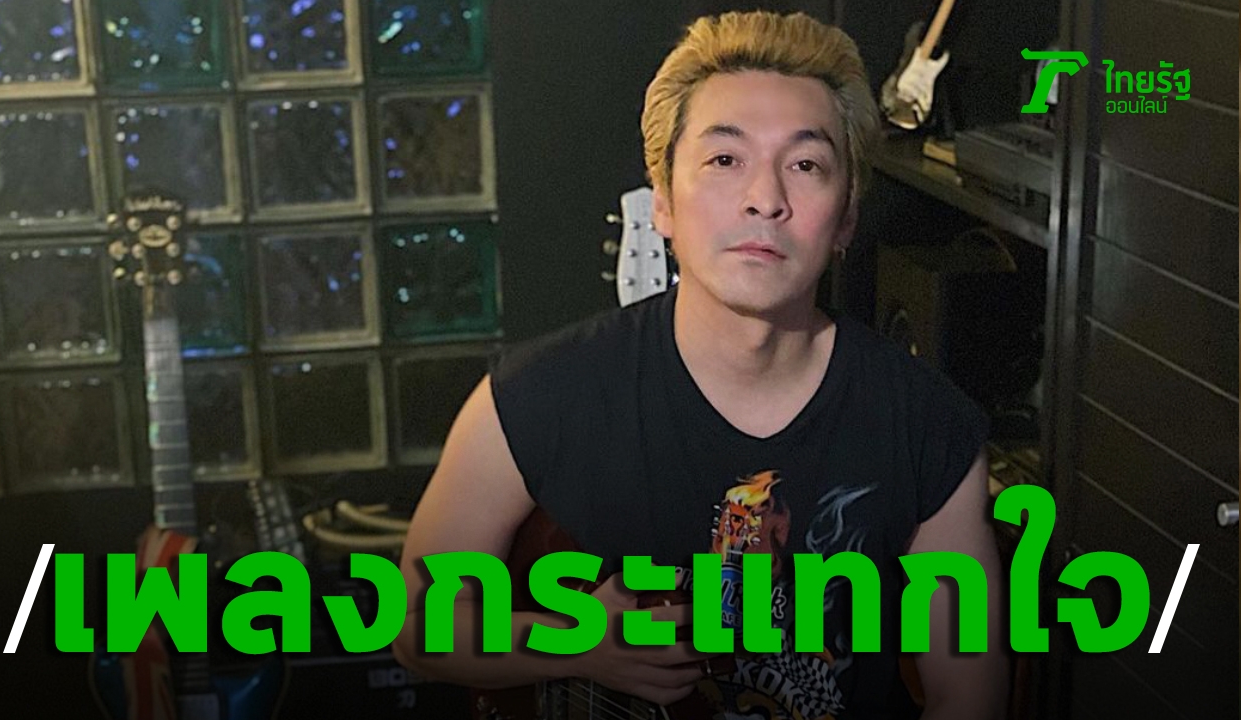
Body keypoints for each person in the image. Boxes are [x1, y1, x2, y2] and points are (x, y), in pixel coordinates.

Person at [394, 10, 1008, 720]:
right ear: (661, 201)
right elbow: (417, 624)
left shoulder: (929, 424)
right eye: (724, 160)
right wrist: (578, 643)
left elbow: (969, 693)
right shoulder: (534, 396)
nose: (765, 199)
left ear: (845, 218)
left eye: (805, 165)